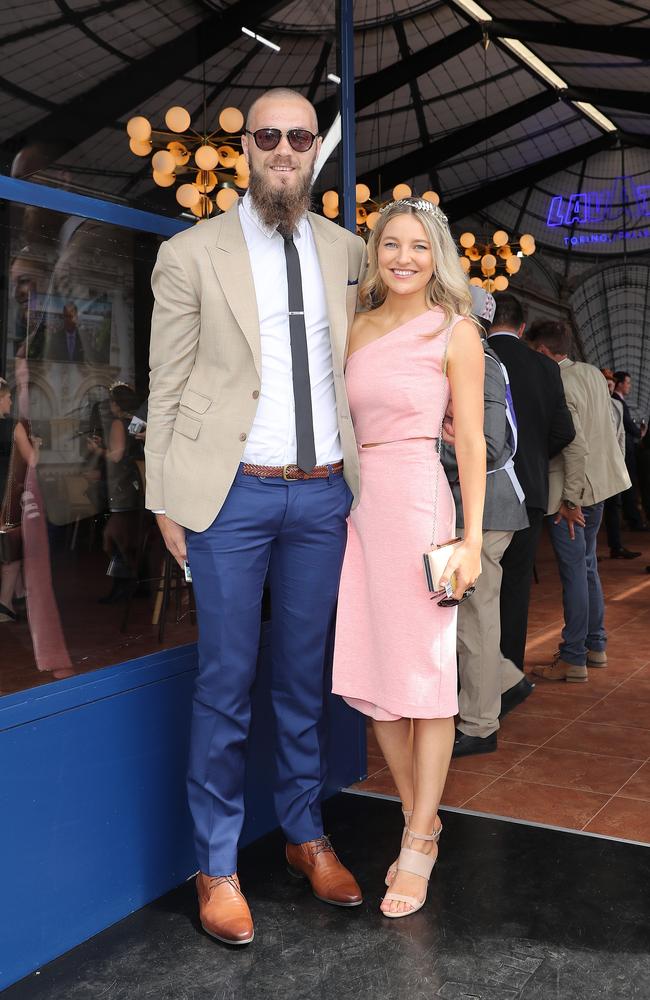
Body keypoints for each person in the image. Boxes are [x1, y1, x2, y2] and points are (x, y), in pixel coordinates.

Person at [146, 88, 366, 946]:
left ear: (315, 150)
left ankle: (306, 835)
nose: (282, 148)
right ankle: (217, 862)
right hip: (229, 492)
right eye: (267, 135)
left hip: (322, 492)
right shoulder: (191, 252)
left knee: (303, 679)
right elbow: (165, 383)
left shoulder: (350, 252)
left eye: (298, 136)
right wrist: (163, 494)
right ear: (244, 148)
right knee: (226, 684)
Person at [332, 197, 486, 917]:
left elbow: (475, 446)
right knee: (372, 680)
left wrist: (474, 540)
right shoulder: (355, 325)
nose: (403, 257)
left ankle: (419, 839)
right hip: (361, 514)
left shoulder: (456, 331)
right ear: (374, 252)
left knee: (426, 679)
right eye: (390, 244)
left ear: (437, 256)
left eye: (418, 247)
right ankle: (418, 819)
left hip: (424, 509)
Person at [442, 294, 530, 758]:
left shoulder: (481, 360)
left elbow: (491, 445)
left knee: (472, 620)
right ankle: (508, 682)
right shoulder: (473, 354)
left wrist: (429, 444)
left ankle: (478, 725)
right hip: (479, 506)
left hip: (486, 508)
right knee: (470, 617)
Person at [527, 322, 630, 682]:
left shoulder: (558, 381)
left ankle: (573, 657)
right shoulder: (589, 372)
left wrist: (570, 500)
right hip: (600, 488)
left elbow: (575, 446)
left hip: (576, 493)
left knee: (575, 572)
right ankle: (595, 646)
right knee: (587, 567)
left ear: (541, 351)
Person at [487, 294, 575, 673]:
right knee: (516, 585)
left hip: (482, 486)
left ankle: (469, 679)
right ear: (523, 328)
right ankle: (510, 674)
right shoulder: (546, 367)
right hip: (530, 488)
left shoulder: (475, 355)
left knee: (472, 587)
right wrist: (534, 455)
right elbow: (564, 431)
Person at [88, 383, 144, 603]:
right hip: (135, 483)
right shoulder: (137, 423)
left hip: (121, 486)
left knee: (112, 538)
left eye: (111, 401)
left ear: (117, 404)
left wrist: (97, 450)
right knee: (130, 537)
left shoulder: (119, 424)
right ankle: (137, 584)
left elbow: (116, 455)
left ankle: (123, 587)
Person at [0, 378, 39, 622]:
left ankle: (19, 592)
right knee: (10, 552)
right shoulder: (14, 427)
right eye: (7, 396)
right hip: (6, 498)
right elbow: (32, 460)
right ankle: (4, 606)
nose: (10, 400)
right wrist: (38, 446)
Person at [601, 368, 639, 560]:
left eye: (610, 385)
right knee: (593, 509)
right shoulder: (592, 404)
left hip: (614, 464)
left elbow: (622, 436)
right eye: (606, 385)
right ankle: (587, 550)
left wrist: (619, 463)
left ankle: (616, 546)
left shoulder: (617, 405)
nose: (609, 388)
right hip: (597, 465)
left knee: (614, 505)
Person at [613, 371, 646, 530]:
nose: (629, 386)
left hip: (626, 450)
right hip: (624, 451)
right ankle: (633, 519)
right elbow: (626, 423)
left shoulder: (619, 401)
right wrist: (640, 433)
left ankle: (631, 517)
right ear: (619, 384)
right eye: (627, 383)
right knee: (629, 485)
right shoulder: (617, 400)